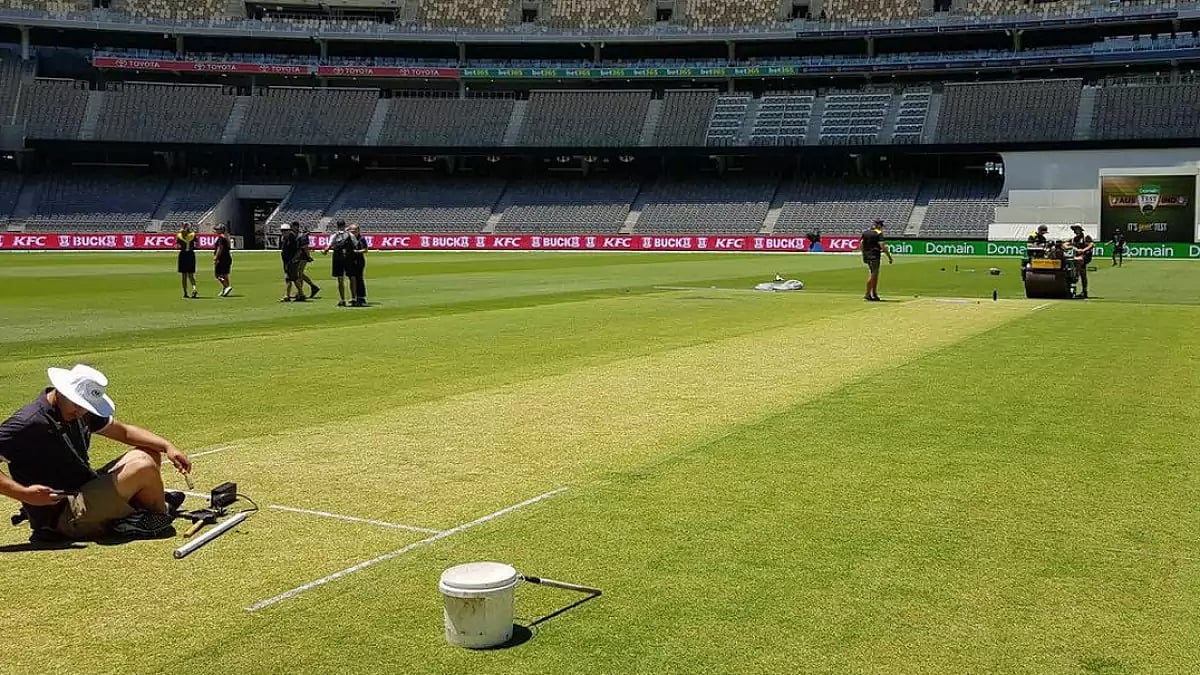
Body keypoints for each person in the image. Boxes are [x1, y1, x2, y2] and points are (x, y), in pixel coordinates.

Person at [0, 365, 192, 541]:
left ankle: (138, 512)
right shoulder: (29, 422)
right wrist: (24, 494)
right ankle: (156, 515)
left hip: (83, 489)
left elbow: (124, 432)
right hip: (62, 515)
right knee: (144, 467)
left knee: (149, 453)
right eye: (76, 403)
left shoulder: (78, 411)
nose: (80, 411)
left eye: (85, 406)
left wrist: (168, 447)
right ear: (59, 391)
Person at [860, 219, 893, 302]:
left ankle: (874, 293)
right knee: (873, 274)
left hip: (867, 256)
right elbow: (882, 245)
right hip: (874, 256)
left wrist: (864, 254)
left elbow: (861, 244)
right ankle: (868, 294)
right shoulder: (879, 233)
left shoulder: (866, 232)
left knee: (874, 274)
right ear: (879, 225)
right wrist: (889, 256)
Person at [323, 219, 351, 307]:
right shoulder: (349, 234)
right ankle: (354, 297)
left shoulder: (334, 235)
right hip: (348, 257)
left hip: (337, 257)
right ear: (344, 225)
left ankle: (342, 299)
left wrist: (324, 251)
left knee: (340, 279)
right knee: (352, 278)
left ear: (337, 226)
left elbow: (327, 248)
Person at [345, 223, 369, 307]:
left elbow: (365, 250)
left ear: (358, 231)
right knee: (352, 279)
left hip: (359, 260)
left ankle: (361, 297)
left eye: (355, 230)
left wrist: (358, 252)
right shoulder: (348, 238)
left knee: (359, 278)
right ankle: (354, 297)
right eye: (352, 230)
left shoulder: (361, 239)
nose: (353, 232)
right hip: (350, 261)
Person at [294, 224, 320, 300]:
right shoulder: (303, 236)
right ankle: (312, 287)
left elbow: (305, 247)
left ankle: (300, 292)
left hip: (302, 256)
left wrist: (308, 256)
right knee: (300, 273)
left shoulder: (302, 236)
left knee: (299, 274)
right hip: (302, 256)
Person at [1070, 224, 1095, 299]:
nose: (1074, 231)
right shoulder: (1075, 238)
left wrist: (1083, 250)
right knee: (1082, 273)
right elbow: (1073, 246)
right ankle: (1084, 291)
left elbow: (1092, 244)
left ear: (1080, 229)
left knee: (1079, 263)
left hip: (1086, 256)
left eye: (1076, 229)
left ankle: (1075, 277)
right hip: (1079, 257)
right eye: (1074, 229)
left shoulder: (1086, 236)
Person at [279, 223, 300, 302]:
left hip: (292, 262)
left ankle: (288, 296)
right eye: (282, 231)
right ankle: (300, 294)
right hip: (286, 261)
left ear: (289, 231)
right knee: (291, 278)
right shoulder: (284, 239)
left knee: (291, 278)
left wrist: (294, 260)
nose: (283, 232)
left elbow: (298, 251)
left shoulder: (293, 239)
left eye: (285, 231)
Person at [176, 223, 198, 299]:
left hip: (183, 255)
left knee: (184, 275)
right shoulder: (193, 235)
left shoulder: (179, 236)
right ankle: (194, 288)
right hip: (191, 255)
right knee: (191, 275)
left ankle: (185, 292)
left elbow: (177, 246)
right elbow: (197, 245)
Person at [213, 223, 233, 297]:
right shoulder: (226, 237)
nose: (216, 231)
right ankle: (225, 289)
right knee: (225, 274)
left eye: (217, 229)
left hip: (221, 258)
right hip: (227, 257)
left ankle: (227, 286)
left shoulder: (221, 238)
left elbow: (220, 248)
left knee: (217, 275)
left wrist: (216, 257)